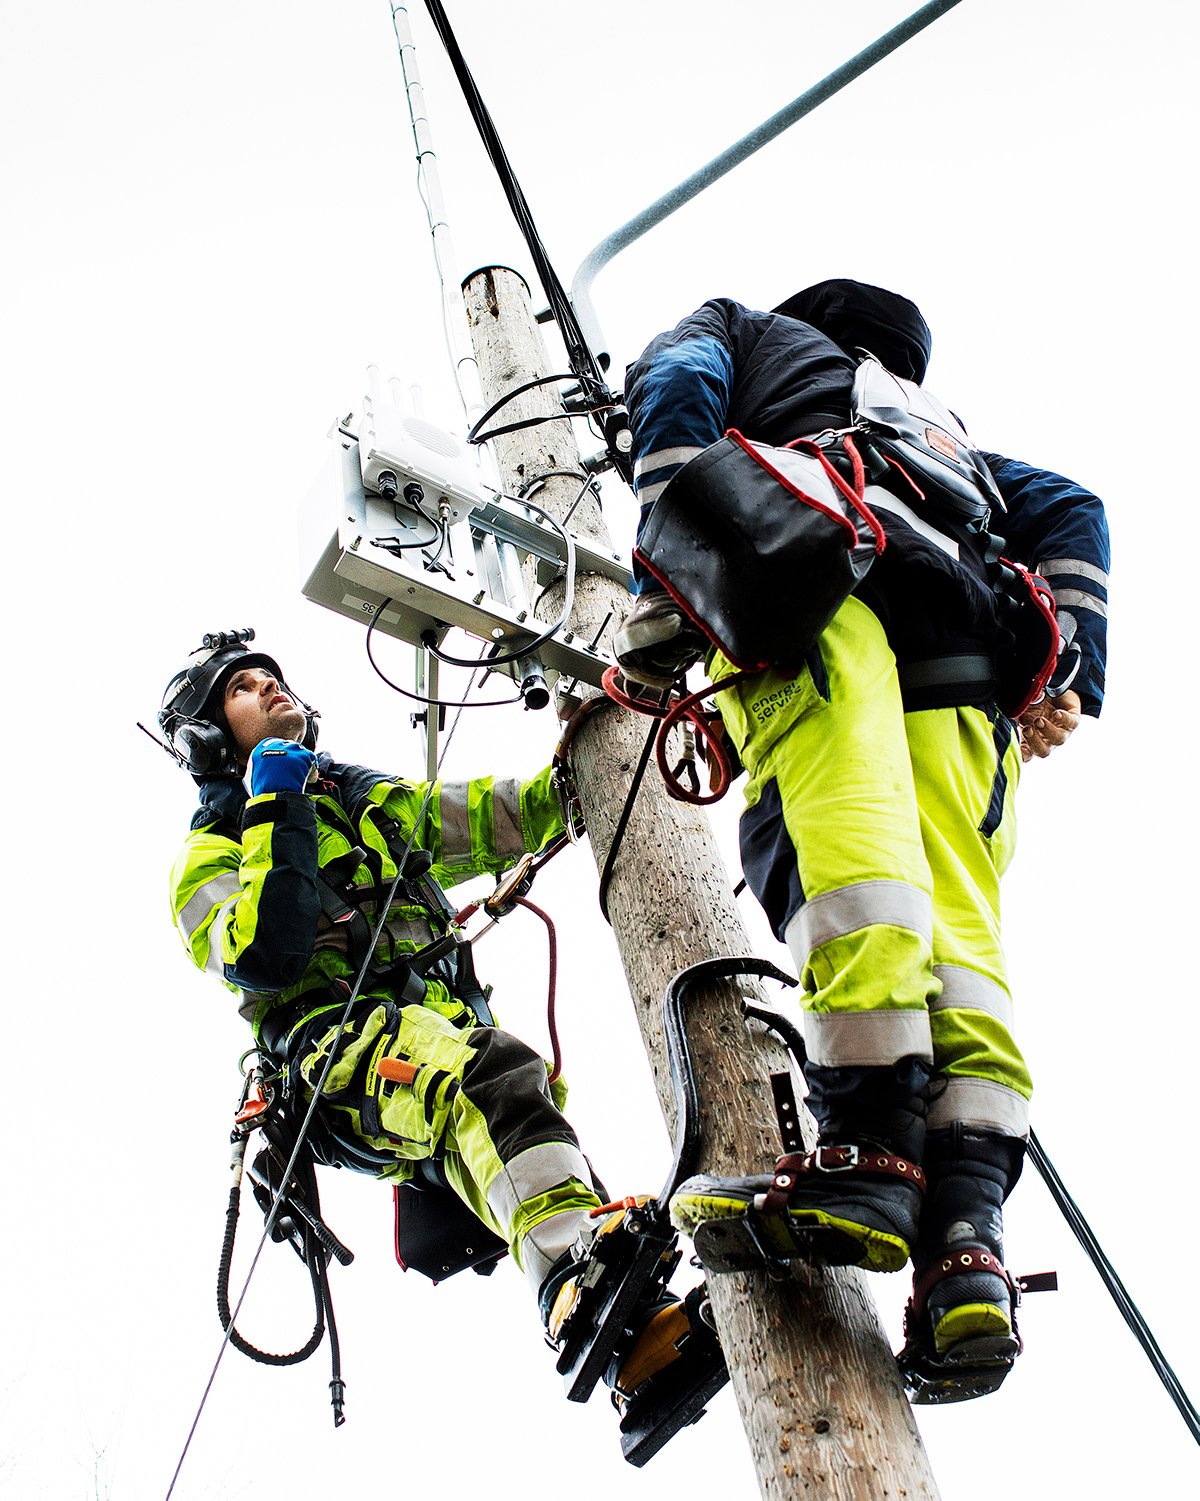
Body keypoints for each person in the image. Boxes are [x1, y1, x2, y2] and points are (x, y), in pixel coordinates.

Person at [611, 279, 1109, 1393]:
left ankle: (868, 1153)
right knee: (961, 946)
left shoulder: (745, 332)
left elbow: (677, 381)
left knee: (848, 859)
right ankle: (965, 1245)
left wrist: (668, 532)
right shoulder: (948, 441)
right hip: (971, 667)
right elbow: (1074, 506)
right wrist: (1070, 672)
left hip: (819, 580)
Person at [159, 628, 723, 1450]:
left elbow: (490, 814)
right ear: (209, 738)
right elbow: (265, 952)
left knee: (532, 1128)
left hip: (433, 1038)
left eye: (274, 677)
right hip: (337, 1062)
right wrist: (273, 790)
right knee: (489, 1079)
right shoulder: (207, 855)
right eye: (244, 688)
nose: (272, 689)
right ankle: (571, 1281)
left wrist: (589, 770)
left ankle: (637, 1350)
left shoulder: (361, 802)